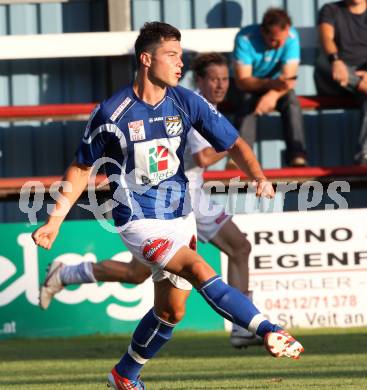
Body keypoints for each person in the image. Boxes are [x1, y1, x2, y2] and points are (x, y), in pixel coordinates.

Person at [32, 22, 304, 390]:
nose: (180, 63)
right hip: (138, 220)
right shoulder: (112, 112)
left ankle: (124, 375)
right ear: (146, 59)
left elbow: (233, 143)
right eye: (172, 55)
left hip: (181, 216)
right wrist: (54, 221)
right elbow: (81, 168)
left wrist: (257, 175)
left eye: (181, 55)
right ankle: (266, 328)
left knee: (170, 311)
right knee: (196, 266)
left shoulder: (185, 100)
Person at [39, 52, 261, 349]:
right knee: (239, 247)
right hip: (177, 199)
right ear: (200, 80)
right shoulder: (187, 104)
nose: (221, 85)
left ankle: (67, 273)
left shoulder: (200, 105)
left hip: (185, 197)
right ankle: (244, 327)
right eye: (214, 79)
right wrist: (234, 138)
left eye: (225, 79)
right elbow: (203, 156)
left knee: (136, 273)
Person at [232, 7, 307, 167]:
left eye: (282, 39)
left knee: (292, 101)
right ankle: (241, 157)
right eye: (273, 39)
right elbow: (242, 81)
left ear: (287, 30)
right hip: (250, 86)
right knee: (246, 100)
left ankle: (297, 154)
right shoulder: (245, 38)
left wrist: (271, 95)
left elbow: (290, 79)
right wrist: (269, 84)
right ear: (262, 32)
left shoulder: (291, 36)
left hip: (277, 87)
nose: (279, 44)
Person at [314, 0, 367, 165]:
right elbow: (326, 38)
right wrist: (336, 60)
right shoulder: (330, 10)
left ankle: (364, 157)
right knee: (324, 63)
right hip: (334, 78)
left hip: (362, 79)